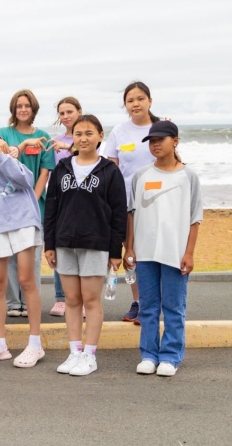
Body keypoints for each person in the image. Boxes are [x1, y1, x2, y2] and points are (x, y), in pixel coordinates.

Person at [44, 115, 127, 376]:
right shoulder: (62, 167)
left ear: (101, 136)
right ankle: (75, 352)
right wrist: (49, 244)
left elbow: (119, 213)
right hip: (65, 243)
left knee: (91, 300)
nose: (83, 138)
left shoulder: (110, 171)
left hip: (96, 243)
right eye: (78, 133)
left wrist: (115, 251)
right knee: (72, 300)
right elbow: (51, 207)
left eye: (89, 133)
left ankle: (90, 354)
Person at [125, 121, 202, 377]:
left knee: (173, 307)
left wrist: (189, 253)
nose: (155, 144)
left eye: (161, 139)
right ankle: (148, 354)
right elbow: (131, 214)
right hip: (145, 252)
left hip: (175, 252)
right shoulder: (141, 175)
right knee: (147, 307)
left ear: (175, 141)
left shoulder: (188, 176)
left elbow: (195, 218)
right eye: (151, 141)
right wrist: (129, 247)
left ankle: (170, 356)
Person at [0, 141, 45, 368]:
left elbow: (26, 180)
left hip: (22, 221)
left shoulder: (3, 152)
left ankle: (35, 344)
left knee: (26, 280)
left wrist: (1, 156)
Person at [103, 81, 160, 324]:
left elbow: (173, 162)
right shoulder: (119, 132)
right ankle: (138, 302)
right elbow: (112, 168)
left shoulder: (160, 128)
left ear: (150, 101)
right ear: (125, 105)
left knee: (155, 253)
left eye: (140, 98)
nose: (135, 104)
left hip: (158, 201)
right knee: (132, 255)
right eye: (130, 100)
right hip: (127, 203)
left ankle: (154, 303)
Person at [0, 89, 55, 317]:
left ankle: (31, 302)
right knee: (10, 254)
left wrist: (32, 199)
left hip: (34, 204)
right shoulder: (4, 133)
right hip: (8, 203)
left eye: (27, 106)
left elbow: (44, 172)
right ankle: (14, 302)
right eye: (19, 106)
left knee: (32, 256)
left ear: (33, 109)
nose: (23, 109)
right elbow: (1, 153)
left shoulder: (43, 136)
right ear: (13, 109)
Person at [48, 97, 82, 317]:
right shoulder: (56, 141)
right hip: (62, 200)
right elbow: (52, 172)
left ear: (79, 111)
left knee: (83, 249)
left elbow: (91, 157)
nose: (66, 116)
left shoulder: (85, 136)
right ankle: (61, 298)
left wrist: (68, 147)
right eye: (62, 113)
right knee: (61, 249)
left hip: (85, 201)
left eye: (70, 111)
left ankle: (83, 299)